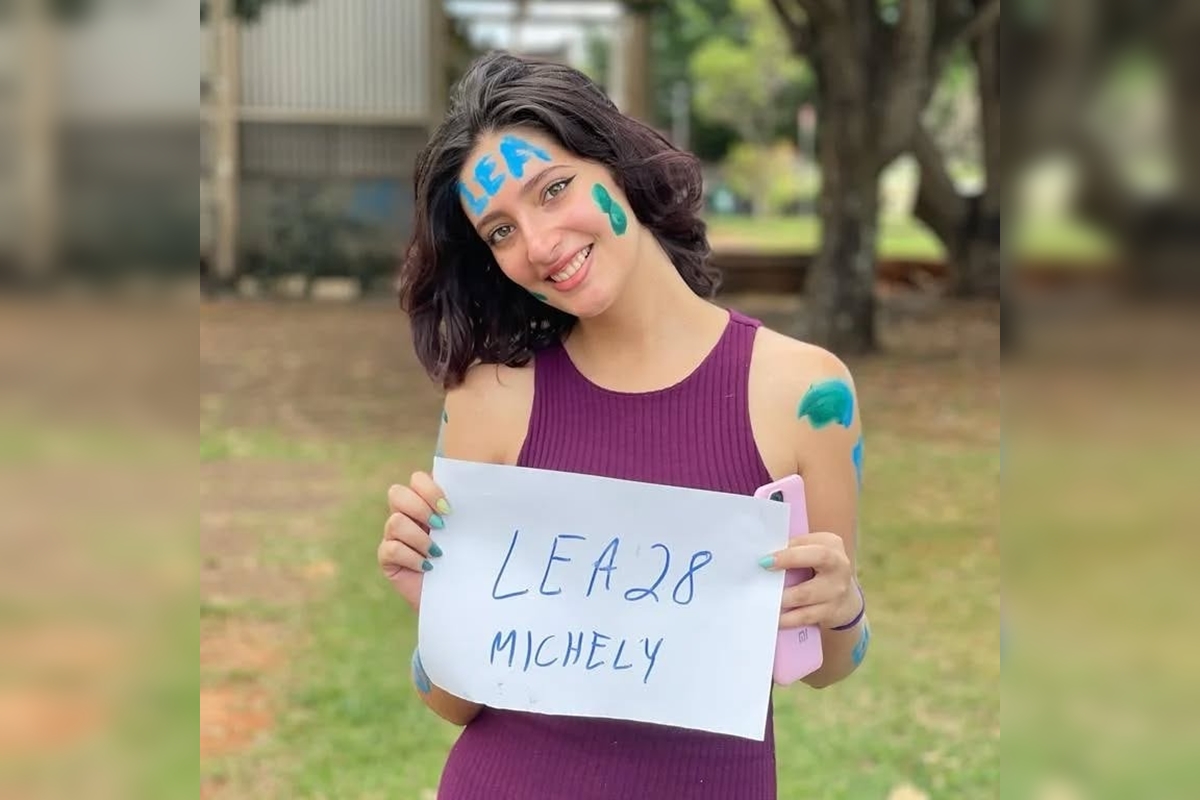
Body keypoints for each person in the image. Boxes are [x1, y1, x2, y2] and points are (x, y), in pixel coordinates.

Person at [378, 50, 870, 800]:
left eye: (554, 189)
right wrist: (438, 608)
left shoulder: (808, 393)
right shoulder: (487, 400)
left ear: (616, 166)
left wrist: (843, 608)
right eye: (501, 231)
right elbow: (452, 703)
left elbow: (826, 666)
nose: (540, 244)